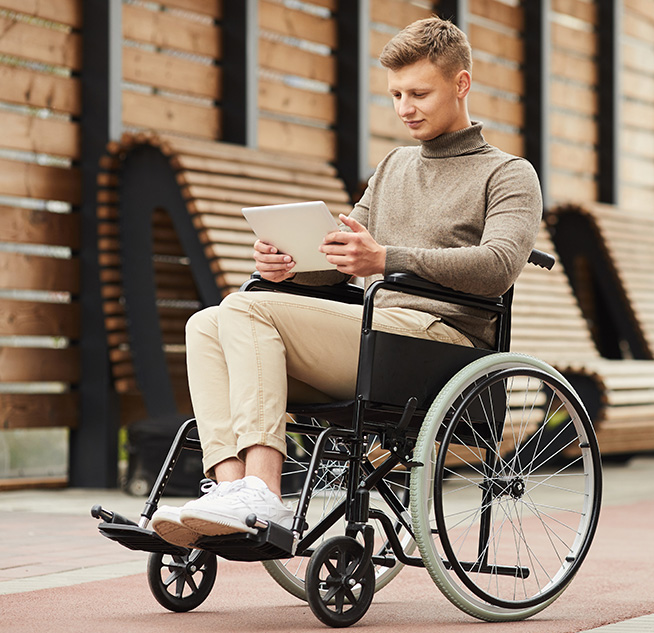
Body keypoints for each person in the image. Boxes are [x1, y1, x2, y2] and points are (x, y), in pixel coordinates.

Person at [151, 17, 542, 548]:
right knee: (206, 323)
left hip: (440, 345)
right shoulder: (393, 166)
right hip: (372, 332)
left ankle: (262, 492)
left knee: (243, 311)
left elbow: (499, 265)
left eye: (419, 93)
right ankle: (232, 496)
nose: (405, 108)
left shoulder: (508, 174)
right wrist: (290, 264)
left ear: (461, 84)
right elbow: (343, 257)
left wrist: (385, 257)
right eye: (397, 94)